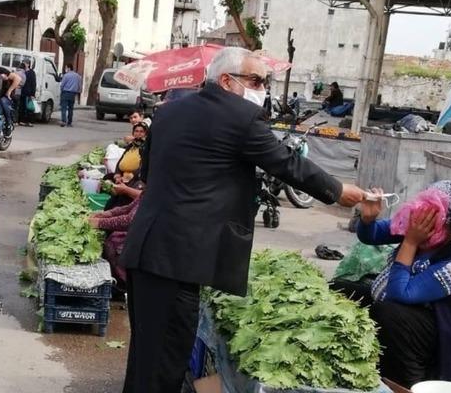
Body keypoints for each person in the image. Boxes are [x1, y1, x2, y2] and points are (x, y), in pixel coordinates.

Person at [119, 47, 366, 392]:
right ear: (226, 80)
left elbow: (149, 171)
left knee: (147, 358)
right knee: (164, 365)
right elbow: (286, 163)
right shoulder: (240, 117)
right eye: (255, 80)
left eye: (264, 81)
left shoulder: (170, 111)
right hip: (176, 259)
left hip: (148, 248)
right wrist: (338, 190)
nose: (261, 88)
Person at [336, 181, 451, 388]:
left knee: (389, 312)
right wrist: (368, 219)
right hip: (401, 308)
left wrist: (410, 243)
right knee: (338, 289)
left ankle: (404, 382)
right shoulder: (424, 229)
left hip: (430, 337)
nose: (419, 221)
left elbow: (399, 294)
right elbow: (371, 235)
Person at [59, 63, 82, 127]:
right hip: (73, 94)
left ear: (69, 68)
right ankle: (69, 122)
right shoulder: (77, 76)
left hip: (65, 92)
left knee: (63, 107)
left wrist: (61, 90)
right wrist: (78, 92)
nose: (65, 69)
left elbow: (62, 85)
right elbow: (79, 86)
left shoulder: (66, 75)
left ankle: (63, 121)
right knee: (70, 108)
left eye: (66, 68)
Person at [19, 59, 37, 127]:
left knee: (29, 107)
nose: (24, 64)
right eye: (23, 63)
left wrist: (33, 93)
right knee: (22, 107)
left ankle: (30, 121)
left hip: (29, 92)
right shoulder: (22, 71)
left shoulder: (32, 72)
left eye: (25, 63)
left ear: (28, 64)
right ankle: (22, 120)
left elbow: (33, 83)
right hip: (22, 92)